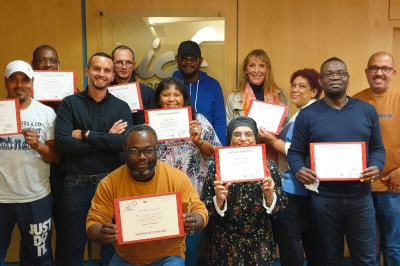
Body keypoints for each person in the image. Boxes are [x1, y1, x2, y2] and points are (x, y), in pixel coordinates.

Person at [287, 57, 386, 265]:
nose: (335, 77)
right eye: (329, 74)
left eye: (340, 73)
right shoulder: (307, 115)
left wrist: (376, 166)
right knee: (329, 259)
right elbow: (295, 152)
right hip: (324, 199)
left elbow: (378, 149)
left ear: (348, 78)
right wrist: (298, 170)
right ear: (321, 81)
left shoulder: (366, 111)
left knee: (366, 259)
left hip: (360, 199)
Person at [86, 124, 209, 265]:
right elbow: (93, 223)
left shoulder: (176, 178)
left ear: (156, 150)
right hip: (126, 257)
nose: (142, 157)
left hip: (168, 255)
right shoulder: (110, 183)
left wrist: (194, 221)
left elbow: (200, 211)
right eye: (134, 151)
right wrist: (102, 232)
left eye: (149, 150)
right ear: (124, 150)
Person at [55, 52, 133, 265]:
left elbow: (123, 143)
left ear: (112, 75)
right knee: (74, 242)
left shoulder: (121, 107)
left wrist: (85, 134)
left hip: (111, 183)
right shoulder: (69, 104)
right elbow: (62, 142)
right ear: (87, 71)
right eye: (97, 69)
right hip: (75, 183)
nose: (102, 74)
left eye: (107, 70)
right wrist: (106, 139)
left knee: (111, 241)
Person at [153, 77, 222, 266]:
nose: (172, 99)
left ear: (184, 98)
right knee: (161, 251)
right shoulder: (151, 123)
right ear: (159, 99)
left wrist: (198, 141)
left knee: (189, 250)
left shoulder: (198, 121)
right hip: (160, 196)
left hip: (192, 197)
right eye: (166, 95)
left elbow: (216, 154)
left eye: (177, 94)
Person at [201, 116, 288, 265]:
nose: (243, 139)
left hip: (260, 241)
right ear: (230, 139)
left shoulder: (270, 167)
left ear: (256, 138)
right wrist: (219, 201)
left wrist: (269, 197)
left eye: (248, 134)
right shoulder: (216, 167)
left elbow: (281, 207)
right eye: (237, 134)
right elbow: (205, 207)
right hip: (225, 241)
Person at [258, 68, 322, 266]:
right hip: (302, 189)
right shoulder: (301, 113)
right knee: (310, 243)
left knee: (290, 241)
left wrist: (271, 140)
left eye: (302, 86)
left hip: (295, 189)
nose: (295, 90)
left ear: (314, 92)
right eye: (293, 85)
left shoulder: (309, 114)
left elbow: (300, 152)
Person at [0, 60, 60, 265]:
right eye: (13, 79)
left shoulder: (45, 113)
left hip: (36, 197)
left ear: (32, 82)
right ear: (6, 82)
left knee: (39, 258)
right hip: (1, 197)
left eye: (25, 80)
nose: (19, 85)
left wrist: (38, 146)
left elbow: (55, 157)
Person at [353, 52, 400, 265]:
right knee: (365, 249)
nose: (379, 73)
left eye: (385, 68)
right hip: (360, 188)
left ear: (393, 72)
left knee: (392, 246)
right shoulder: (354, 101)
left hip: (393, 188)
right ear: (366, 72)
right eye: (374, 68)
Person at [31, 44, 74, 265]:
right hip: (30, 173)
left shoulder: (70, 97)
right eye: (42, 60)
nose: (48, 65)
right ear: (32, 66)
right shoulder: (23, 98)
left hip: (61, 171)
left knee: (64, 228)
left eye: (53, 61)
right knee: (37, 231)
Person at [226, 49, 288, 163]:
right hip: (243, 156)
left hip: (274, 155)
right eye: (252, 65)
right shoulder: (233, 98)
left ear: (267, 69)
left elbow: (286, 131)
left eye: (261, 66)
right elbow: (229, 132)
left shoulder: (280, 96)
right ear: (246, 70)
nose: (256, 71)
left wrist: (272, 137)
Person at [172, 40, 226, 145]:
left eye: (193, 58)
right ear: (177, 59)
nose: (188, 62)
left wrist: (219, 150)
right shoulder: (169, 85)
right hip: (176, 148)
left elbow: (219, 122)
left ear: (200, 61)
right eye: (184, 58)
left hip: (207, 147)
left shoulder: (213, 86)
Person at [110, 45, 155, 125]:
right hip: (112, 136)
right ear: (112, 64)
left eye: (128, 62)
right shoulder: (103, 92)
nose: (124, 67)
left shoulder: (147, 93)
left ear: (134, 65)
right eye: (120, 62)